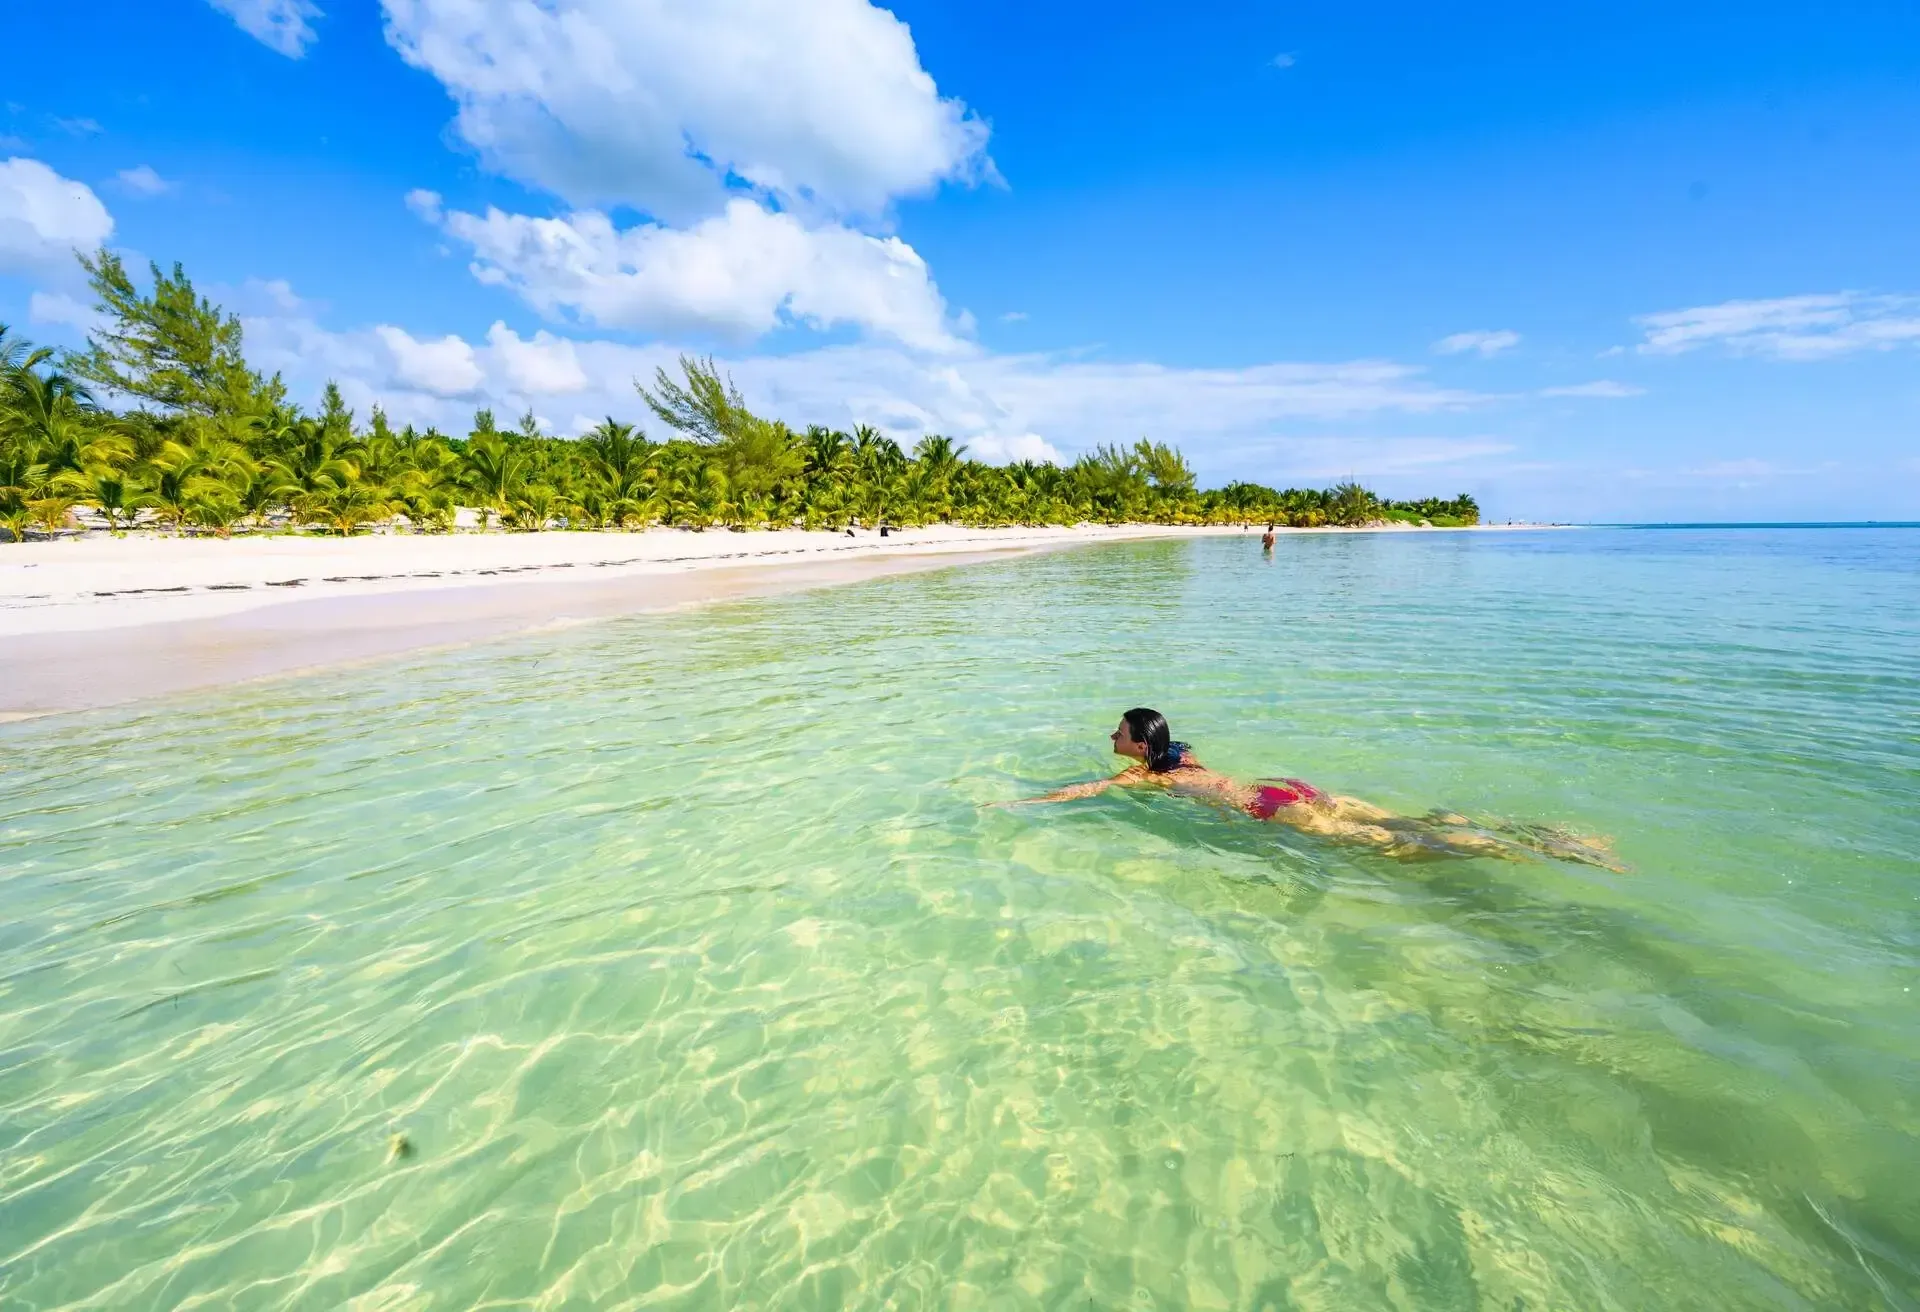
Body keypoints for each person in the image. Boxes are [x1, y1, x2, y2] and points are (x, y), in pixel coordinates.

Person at [1007, 708, 1622, 869]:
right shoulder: (1182, 754)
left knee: (1400, 845)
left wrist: (1022, 803)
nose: (1109, 737)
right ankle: (1543, 836)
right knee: (1405, 821)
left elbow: (1083, 792)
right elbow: (1179, 750)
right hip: (1286, 786)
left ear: (1140, 747)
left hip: (1263, 807)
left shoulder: (1142, 776)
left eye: (1117, 733)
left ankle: (1530, 849)